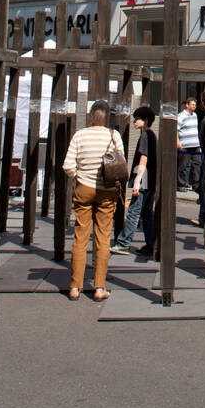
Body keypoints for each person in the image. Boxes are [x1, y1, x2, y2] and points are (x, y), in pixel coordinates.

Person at [62, 99, 123, 301]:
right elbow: (120, 163)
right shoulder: (114, 136)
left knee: (80, 236)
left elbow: (68, 165)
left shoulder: (80, 135)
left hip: (84, 188)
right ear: (108, 117)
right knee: (103, 237)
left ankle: (74, 286)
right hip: (107, 190)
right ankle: (99, 287)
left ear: (91, 115)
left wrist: (80, 176)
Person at [111, 106, 157, 254]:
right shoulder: (152, 135)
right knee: (147, 213)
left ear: (146, 120)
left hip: (143, 178)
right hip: (150, 179)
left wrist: (137, 180)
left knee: (133, 211)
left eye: (137, 118)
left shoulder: (144, 136)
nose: (134, 121)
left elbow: (143, 158)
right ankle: (150, 244)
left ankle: (124, 241)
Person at [176, 96, 202, 192]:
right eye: (192, 104)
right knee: (183, 166)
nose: (194, 106)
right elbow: (176, 130)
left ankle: (196, 184)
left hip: (195, 144)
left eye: (195, 105)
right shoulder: (180, 116)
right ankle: (181, 184)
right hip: (185, 145)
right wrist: (178, 142)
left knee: (197, 165)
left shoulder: (195, 116)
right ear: (187, 105)